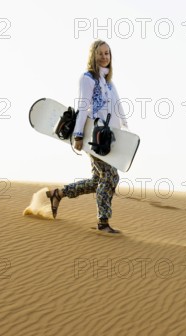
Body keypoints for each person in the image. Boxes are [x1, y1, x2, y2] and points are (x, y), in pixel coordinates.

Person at [46, 40, 128, 233]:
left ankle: (58, 194)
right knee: (110, 177)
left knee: (97, 181)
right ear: (93, 55)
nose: (104, 57)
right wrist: (78, 135)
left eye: (107, 53)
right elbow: (83, 107)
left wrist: (126, 130)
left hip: (111, 138)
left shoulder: (109, 82)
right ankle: (103, 222)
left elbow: (118, 107)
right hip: (95, 136)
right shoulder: (87, 78)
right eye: (100, 53)